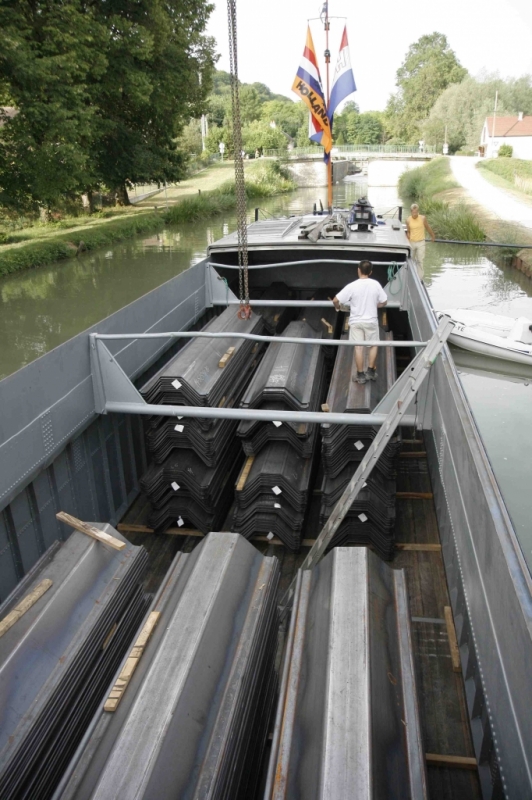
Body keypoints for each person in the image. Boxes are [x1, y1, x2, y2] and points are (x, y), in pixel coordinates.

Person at [332, 260, 387, 384]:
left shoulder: (352, 285)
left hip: (356, 322)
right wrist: (376, 305)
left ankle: (360, 375)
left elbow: (336, 300)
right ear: (371, 272)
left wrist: (338, 307)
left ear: (358, 270)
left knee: (358, 348)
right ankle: (371, 372)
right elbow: (384, 301)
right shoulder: (375, 284)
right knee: (373, 345)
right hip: (371, 321)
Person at [406, 203, 435, 281]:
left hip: (421, 242)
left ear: (418, 211)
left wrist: (432, 236)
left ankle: (420, 279)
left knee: (420, 260)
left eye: (416, 212)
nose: (415, 214)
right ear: (411, 212)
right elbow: (408, 231)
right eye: (413, 212)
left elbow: (428, 227)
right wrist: (408, 236)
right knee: (410, 260)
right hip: (412, 242)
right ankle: (409, 276)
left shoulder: (422, 218)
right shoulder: (408, 220)